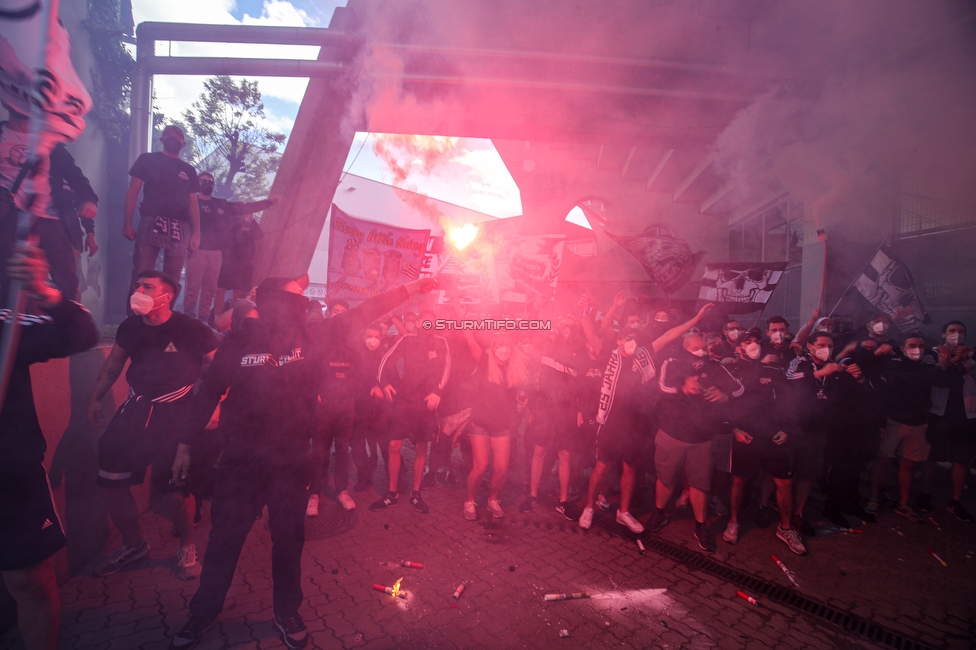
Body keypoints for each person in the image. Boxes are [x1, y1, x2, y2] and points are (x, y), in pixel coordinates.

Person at [167, 276, 434, 650]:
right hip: (241, 458)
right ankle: (204, 612)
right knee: (224, 540)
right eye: (294, 296)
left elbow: (364, 312)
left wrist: (411, 287)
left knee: (289, 541)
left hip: (291, 457)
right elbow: (207, 392)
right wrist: (184, 445)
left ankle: (286, 611)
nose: (301, 302)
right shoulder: (237, 342)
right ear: (270, 299)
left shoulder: (312, 336)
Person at [88, 270, 218, 580]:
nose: (139, 290)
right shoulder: (130, 327)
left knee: (177, 491)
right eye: (137, 285)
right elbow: (114, 364)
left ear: (167, 295)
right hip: (135, 411)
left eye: (147, 286)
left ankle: (186, 546)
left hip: (178, 413)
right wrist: (94, 398)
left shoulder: (191, 328)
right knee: (110, 484)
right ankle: (134, 545)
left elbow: (217, 368)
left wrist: (216, 406)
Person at [0, 243, 98, 650]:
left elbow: (81, 334)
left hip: (11, 473)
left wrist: (45, 289)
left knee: (31, 580)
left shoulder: (6, 323)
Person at [580, 305, 717, 535]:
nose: (631, 340)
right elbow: (591, 334)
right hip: (611, 422)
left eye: (634, 337)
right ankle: (588, 508)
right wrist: (584, 311)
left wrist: (696, 318)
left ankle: (623, 512)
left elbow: (669, 334)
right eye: (626, 337)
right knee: (602, 467)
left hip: (636, 423)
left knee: (631, 469)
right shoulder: (608, 355)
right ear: (619, 340)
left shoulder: (645, 355)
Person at [723, 331, 806, 555]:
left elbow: (789, 403)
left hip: (773, 435)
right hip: (745, 435)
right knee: (738, 480)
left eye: (756, 342)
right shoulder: (731, 371)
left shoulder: (773, 370)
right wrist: (734, 428)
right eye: (747, 342)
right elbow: (724, 404)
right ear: (738, 348)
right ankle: (733, 522)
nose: (753, 346)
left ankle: (785, 528)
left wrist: (787, 430)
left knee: (784, 483)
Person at [0, 109, 86, 301]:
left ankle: (69, 327)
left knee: (67, 281)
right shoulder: (2, 136)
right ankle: (11, 325)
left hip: (49, 218)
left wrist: (89, 200)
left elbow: (74, 175)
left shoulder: (50, 142)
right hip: (11, 218)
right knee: (8, 278)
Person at [371, 309, 450, 514]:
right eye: (424, 321)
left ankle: (416, 494)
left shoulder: (441, 342)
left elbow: (446, 369)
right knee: (394, 445)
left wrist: (437, 392)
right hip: (404, 402)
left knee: (422, 448)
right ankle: (392, 494)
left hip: (425, 405)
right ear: (417, 323)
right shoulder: (406, 340)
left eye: (432, 322)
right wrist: (384, 383)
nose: (428, 325)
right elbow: (384, 362)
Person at [785, 332, 864, 536]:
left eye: (829, 344)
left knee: (807, 473)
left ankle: (798, 514)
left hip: (817, 430)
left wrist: (858, 378)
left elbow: (849, 397)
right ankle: (769, 507)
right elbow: (788, 379)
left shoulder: (837, 369)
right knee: (782, 474)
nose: (826, 348)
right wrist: (820, 374)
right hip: (792, 426)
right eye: (821, 344)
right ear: (810, 346)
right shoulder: (799, 362)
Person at [865, 333, 946, 523]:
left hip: (918, 422)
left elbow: (942, 381)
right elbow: (910, 381)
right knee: (882, 461)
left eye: (921, 345)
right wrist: (939, 369)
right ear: (903, 348)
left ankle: (903, 503)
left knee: (908, 464)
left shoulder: (927, 365)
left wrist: (943, 366)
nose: (917, 348)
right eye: (912, 345)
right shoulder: (894, 363)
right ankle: (873, 499)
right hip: (894, 420)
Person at [183, 171, 274, 321]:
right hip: (198, 250)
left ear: (213, 186)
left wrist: (267, 203)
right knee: (193, 289)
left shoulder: (221, 204)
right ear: (197, 183)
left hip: (217, 253)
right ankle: (188, 320)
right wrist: (185, 244)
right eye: (203, 181)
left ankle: (204, 321)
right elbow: (184, 224)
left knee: (210, 291)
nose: (207, 184)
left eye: (210, 182)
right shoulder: (192, 203)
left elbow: (247, 212)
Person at [520, 315, 585, 518]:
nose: (566, 330)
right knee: (539, 451)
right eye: (563, 326)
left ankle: (563, 502)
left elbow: (582, 385)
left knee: (564, 455)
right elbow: (532, 380)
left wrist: (580, 410)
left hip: (566, 411)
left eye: (570, 327)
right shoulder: (545, 346)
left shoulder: (578, 350)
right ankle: (532, 495)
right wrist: (530, 409)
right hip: (545, 409)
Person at [123, 125, 200, 289]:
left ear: (183, 143)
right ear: (162, 139)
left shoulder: (188, 170)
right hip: (151, 219)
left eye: (177, 136)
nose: (172, 137)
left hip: (181, 226)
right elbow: (133, 191)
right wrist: (127, 222)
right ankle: (135, 314)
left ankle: (167, 313)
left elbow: (193, 203)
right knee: (142, 272)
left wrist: (197, 232)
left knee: (172, 278)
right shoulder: (147, 160)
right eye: (168, 134)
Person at [463, 332, 529, 520]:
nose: (504, 348)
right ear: (492, 347)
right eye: (500, 344)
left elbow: (518, 395)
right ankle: (469, 501)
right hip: (480, 422)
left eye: (507, 344)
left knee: (501, 468)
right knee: (481, 466)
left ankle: (493, 499)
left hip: (502, 424)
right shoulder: (484, 361)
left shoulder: (514, 368)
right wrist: (462, 317)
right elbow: (470, 342)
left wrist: (521, 403)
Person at [918, 321, 975, 522]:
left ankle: (955, 501)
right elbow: (928, 378)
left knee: (961, 459)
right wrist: (947, 362)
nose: (956, 335)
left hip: (967, 415)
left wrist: (966, 360)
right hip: (939, 413)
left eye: (961, 331)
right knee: (932, 456)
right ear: (943, 335)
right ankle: (925, 494)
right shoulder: (932, 354)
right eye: (952, 331)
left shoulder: (972, 355)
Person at [307, 301, 359, 515]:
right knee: (318, 452)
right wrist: (315, 393)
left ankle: (342, 491)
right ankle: (314, 494)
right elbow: (307, 367)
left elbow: (362, 371)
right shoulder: (318, 337)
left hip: (346, 404)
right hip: (324, 403)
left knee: (343, 450)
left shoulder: (353, 341)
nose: (339, 316)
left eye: (343, 313)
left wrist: (352, 393)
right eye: (335, 311)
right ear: (329, 313)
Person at [215, 210, 264, 316]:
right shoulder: (231, 220)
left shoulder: (250, 225)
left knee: (237, 293)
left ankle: (230, 320)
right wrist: (242, 222)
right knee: (220, 290)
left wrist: (253, 221)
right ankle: (216, 319)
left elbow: (259, 235)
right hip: (228, 261)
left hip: (244, 263)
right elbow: (227, 232)